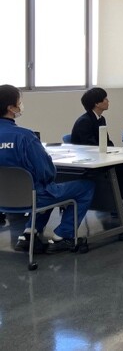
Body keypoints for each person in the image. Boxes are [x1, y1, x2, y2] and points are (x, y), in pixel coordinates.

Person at [0, 84, 95, 253]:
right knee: (85, 186)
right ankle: (63, 235)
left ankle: (29, 232)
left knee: (46, 188)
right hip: (33, 197)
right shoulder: (25, 136)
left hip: (3, 199)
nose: (21, 105)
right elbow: (46, 172)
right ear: (11, 108)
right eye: (19, 102)